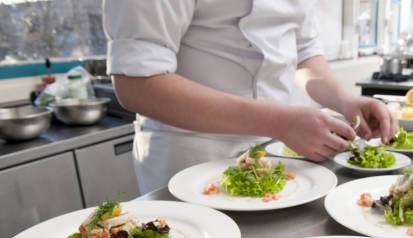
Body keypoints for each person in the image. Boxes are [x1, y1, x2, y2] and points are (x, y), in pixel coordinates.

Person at [103, 1, 397, 193]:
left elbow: (304, 53)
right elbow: (136, 84)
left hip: (277, 148)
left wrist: (345, 101)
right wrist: (279, 121)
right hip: (190, 154)